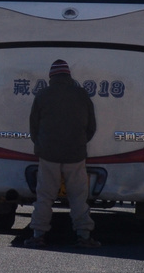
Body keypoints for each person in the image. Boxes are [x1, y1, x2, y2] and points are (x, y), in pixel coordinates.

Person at [24, 59, 100, 248]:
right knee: (78, 197)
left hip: (48, 155)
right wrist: (79, 143)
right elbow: (91, 126)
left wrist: (42, 145)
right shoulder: (82, 95)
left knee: (44, 197)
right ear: (68, 75)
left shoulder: (42, 95)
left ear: (51, 76)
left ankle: (38, 234)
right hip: (75, 155)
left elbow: (33, 127)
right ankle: (83, 235)